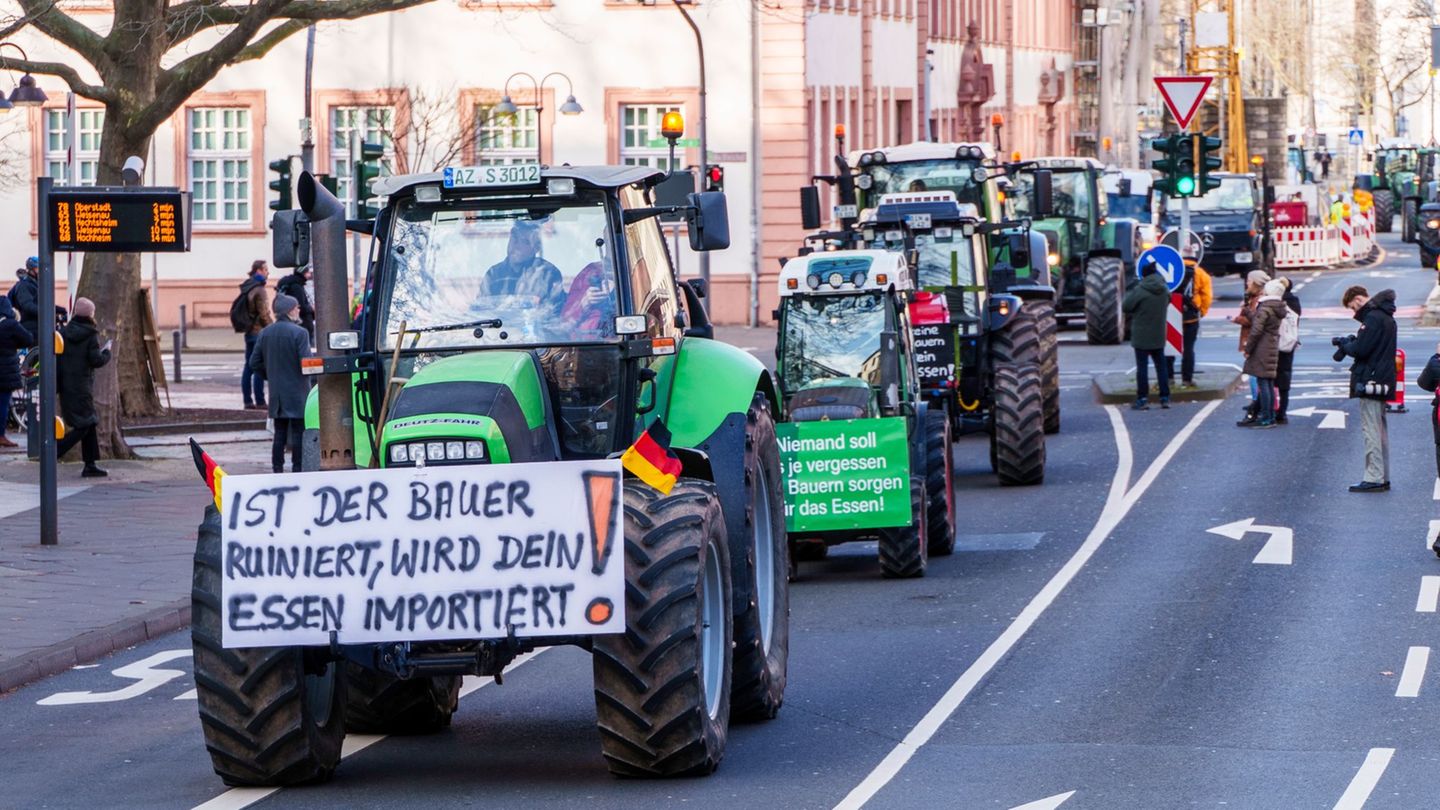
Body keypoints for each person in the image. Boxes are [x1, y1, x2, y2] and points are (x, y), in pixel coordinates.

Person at [1334, 285, 1397, 492]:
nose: (1355, 312)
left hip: (1370, 380)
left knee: (1371, 430)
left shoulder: (1372, 319)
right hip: (1383, 378)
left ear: (1359, 299)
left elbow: (1361, 350)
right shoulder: (1387, 316)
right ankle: (1382, 475)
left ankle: (1374, 477)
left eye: (1353, 307)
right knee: (1380, 431)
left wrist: (1346, 345)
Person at [250, 294, 312, 474]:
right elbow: (306, 363)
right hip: (298, 391)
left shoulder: (265, 333)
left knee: (280, 434)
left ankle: (277, 469)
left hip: (277, 392)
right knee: (299, 432)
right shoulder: (300, 333)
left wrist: (271, 375)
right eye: (297, 307)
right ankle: (297, 469)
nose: (299, 309)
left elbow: (254, 363)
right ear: (290, 310)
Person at [55, 297, 111, 477]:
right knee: (86, 423)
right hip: (81, 386)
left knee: (89, 423)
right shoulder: (90, 335)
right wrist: (107, 352)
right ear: (90, 314)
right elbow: (96, 360)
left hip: (66, 385)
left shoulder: (64, 332)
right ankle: (57, 450)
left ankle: (90, 464)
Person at [1124, 255, 1171, 410]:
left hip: (1141, 336)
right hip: (1158, 335)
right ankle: (1165, 398)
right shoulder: (1164, 290)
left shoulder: (1140, 290)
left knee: (1142, 369)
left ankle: (1142, 399)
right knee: (1161, 367)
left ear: (1143, 275)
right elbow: (1168, 300)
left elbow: (1126, 306)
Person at [482, 221, 563, 306]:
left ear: (536, 248)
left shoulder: (548, 274)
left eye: (525, 242)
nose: (516, 245)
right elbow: (481, 309)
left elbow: (553, 312)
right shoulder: (493, 274)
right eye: (514, 238)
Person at [1242, 280, 1287, 429]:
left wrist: (1248, 348)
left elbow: (1256, 330)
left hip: (1262, 348)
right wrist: (1248, 311)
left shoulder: (1265, 307)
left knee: (1263, 382)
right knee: (1268, 382)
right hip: (1272, 346)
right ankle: (1270, 416)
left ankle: (1267, 418)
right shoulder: (1277, 307)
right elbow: (1259, 321)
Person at [1233, 270, 1270, 424]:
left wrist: (1239, 317)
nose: (1246, 283)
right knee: (1257, 377)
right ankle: (1258, 405)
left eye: (1249, 281)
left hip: (1254, 343)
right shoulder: (1253, 299)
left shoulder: (1258, 301)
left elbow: (1255, 322)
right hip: (1255, 342)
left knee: (1256, 376)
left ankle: (1258, 406)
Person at [0, 296, 35, 449]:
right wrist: (14, 343)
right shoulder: (10, 324)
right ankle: (1, 435)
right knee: (2, 404)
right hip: (5, 371)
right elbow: (28, 339)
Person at [239, 260, 272, 411]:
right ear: (258, 270)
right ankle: (260, 401)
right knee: (259, 365)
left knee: (248, 366)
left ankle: (247, 400)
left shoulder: (247, 286)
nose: (268, 272)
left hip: (249, 331)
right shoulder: (259, 289)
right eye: (266, 269)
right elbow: (264, 313)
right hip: (259, 332)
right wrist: (272, 328)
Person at [1178, 255, 1212, 388]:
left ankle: (1168, 378)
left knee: (1169, 349)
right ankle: (1187, 379)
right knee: (1188, 349)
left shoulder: (1175, 269)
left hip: (1173, 316)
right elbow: (1207, 296)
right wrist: (1201, 312)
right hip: (1191, 316)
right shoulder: (1201, 273)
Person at [1275, 276, 1303, 423]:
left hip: (1276, 342)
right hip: (1290, 342)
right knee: (1285, 376)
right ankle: (1282, 411)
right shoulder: (1295, 301)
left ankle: (1267, 408)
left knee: (1268, 378)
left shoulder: (1277, 302)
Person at [273, 265, 315, 341]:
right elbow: (301, 307)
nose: (310, 274)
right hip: (303, 323)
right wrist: (311, 308)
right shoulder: (296, 287)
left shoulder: (293, 284)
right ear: (303, 273)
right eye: (308, 272)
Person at [8, 256, 39, 339]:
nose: (40, 271)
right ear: (31, 270)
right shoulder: (24, 285)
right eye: (37, 268)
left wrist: (59, 310)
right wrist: (46, 312)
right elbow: (27, 306)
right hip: (28, 325)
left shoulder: (36, 284)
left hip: (37, 323)